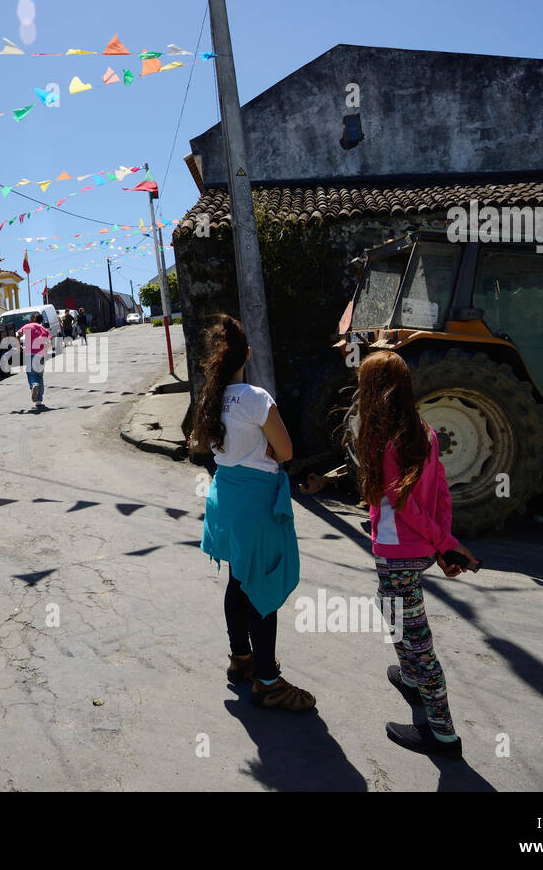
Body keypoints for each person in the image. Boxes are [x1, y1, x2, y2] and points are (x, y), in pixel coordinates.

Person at [347, 350, 480, 760]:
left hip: (398, 552)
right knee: (397, 615)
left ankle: (442, 736)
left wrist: (444, 543)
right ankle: (409, 676)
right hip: (418, 550)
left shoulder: (381, 439)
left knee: (416, 640)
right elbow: (441, 491)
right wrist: (441, 543)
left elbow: (403, 505)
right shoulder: (423, 430)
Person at [190, 314, 314, 712]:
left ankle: (241, 658)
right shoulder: (255, 398)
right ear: (246, 353)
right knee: (261, 588)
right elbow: (287, 452)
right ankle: (268, 681)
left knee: (238, 581)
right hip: (256, 500)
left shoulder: (211, 398)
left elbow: (204, 446)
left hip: (225, 495)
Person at [16, 311, 51, 409]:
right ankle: (39, 401)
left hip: (29, 353)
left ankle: (33, 385)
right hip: (41, 354)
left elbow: (18, 335)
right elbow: (49, 341)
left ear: (33, 319)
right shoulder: (44, 329)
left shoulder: (28, 326)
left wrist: (19, 345)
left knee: (31, 374)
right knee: (40, 376)